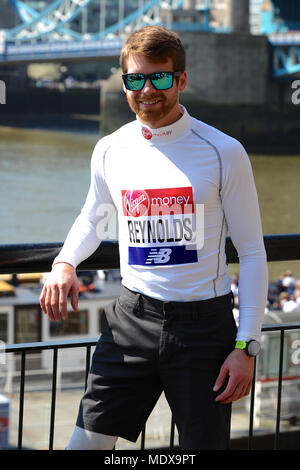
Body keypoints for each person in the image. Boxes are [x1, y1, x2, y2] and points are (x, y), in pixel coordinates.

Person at [40, 26, 268, 450]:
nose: (147, 90)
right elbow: (94, 216)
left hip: (204, 330)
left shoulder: (224, 151)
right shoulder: (110, 149)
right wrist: (64, 263)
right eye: (134, 79)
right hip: (131, 320)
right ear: (124, 81)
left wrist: (247, 346)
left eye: (160, 78)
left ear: (181, 80)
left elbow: (253, 252)